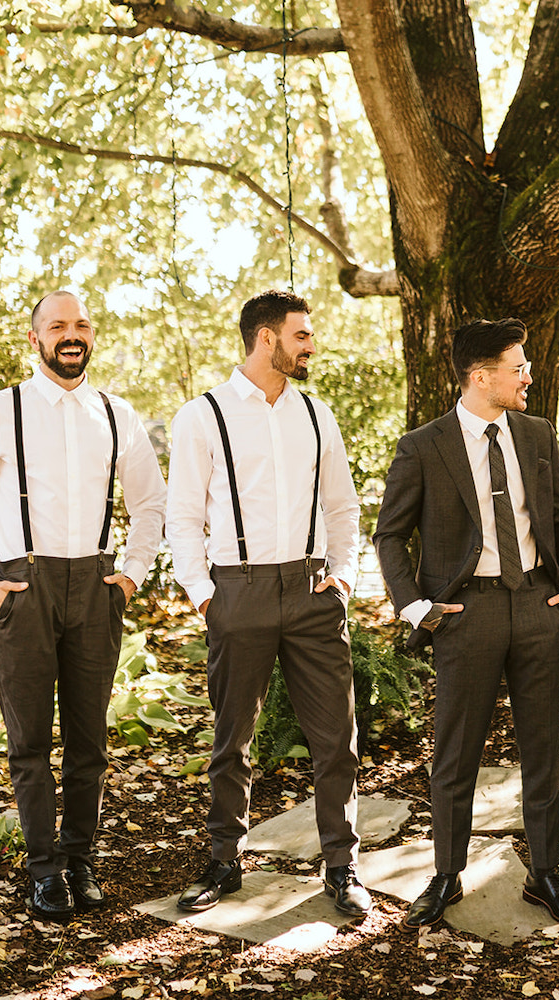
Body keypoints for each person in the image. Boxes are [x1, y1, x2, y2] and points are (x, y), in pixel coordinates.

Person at [0, 290, 167, 920]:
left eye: (82, 325)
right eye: (58, 325)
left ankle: (80, 861)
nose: (72, 334)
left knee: (90, 738)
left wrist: (132, 574)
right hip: (24, 588)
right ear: (34, 337)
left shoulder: (118, 415)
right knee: (29, 740)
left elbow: (152, 504)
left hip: (96, 586)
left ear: (92, 337)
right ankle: (44, 871)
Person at [373, 318, 559, 929]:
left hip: (538, 608)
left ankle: (545, 874)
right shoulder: (424, 444)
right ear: (480, 377)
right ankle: (446, 875)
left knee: (544, 750)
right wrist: (415, 605)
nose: (528, 375)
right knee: (456, 751)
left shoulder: (537, 433)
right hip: (464, 614)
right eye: (518, 367)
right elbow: (390, 532)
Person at [165, 290, 369, 918]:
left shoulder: (316, 415)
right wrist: (205, 597)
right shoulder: (203, 416)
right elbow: (182, 515)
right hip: (239, 590)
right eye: (301, 335)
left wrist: (344, 577)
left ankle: (343, 866)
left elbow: (343, 507)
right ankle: (224, 860)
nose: (311, 344)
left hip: (313, 594)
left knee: (337, 740)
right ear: (265, 338)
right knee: (233, 740)